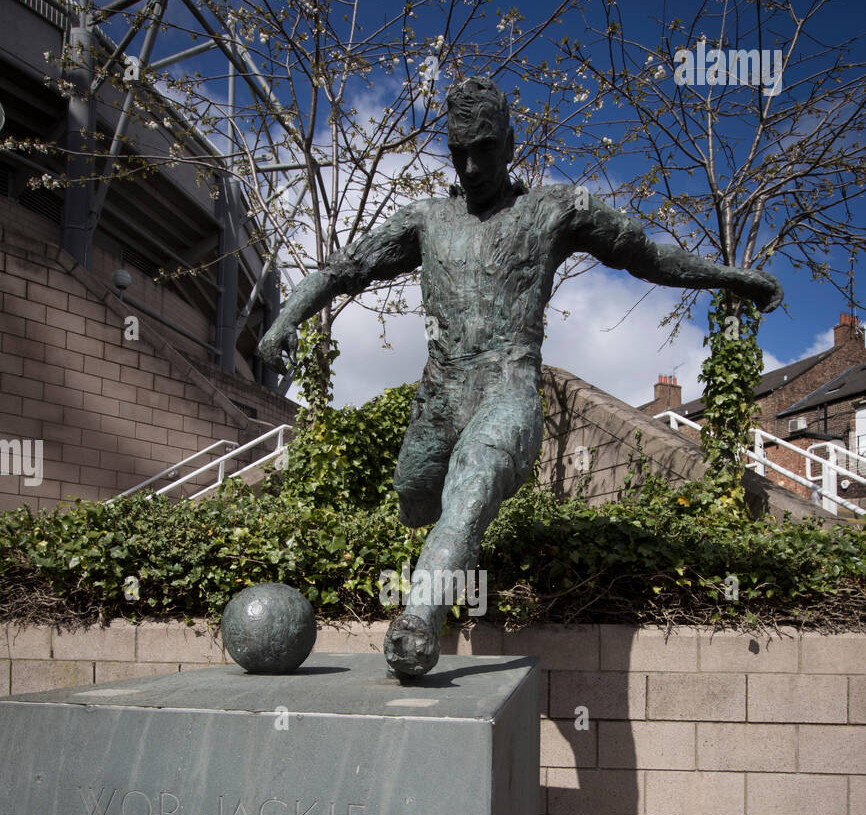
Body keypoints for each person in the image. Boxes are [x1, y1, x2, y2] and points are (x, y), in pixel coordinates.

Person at [259, 77, 782, 678]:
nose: (471, 166)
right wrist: (283, 323)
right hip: (441, 391)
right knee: (415, 496)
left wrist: (729, 277)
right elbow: (344, 269)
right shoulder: (426, 220)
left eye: (484, 148)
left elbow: (645, 255)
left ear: (510, 142)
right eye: (458, 152)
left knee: (468, 490)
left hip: (508, 381)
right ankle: (451, 551)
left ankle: (418, 620)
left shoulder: (554, 210)